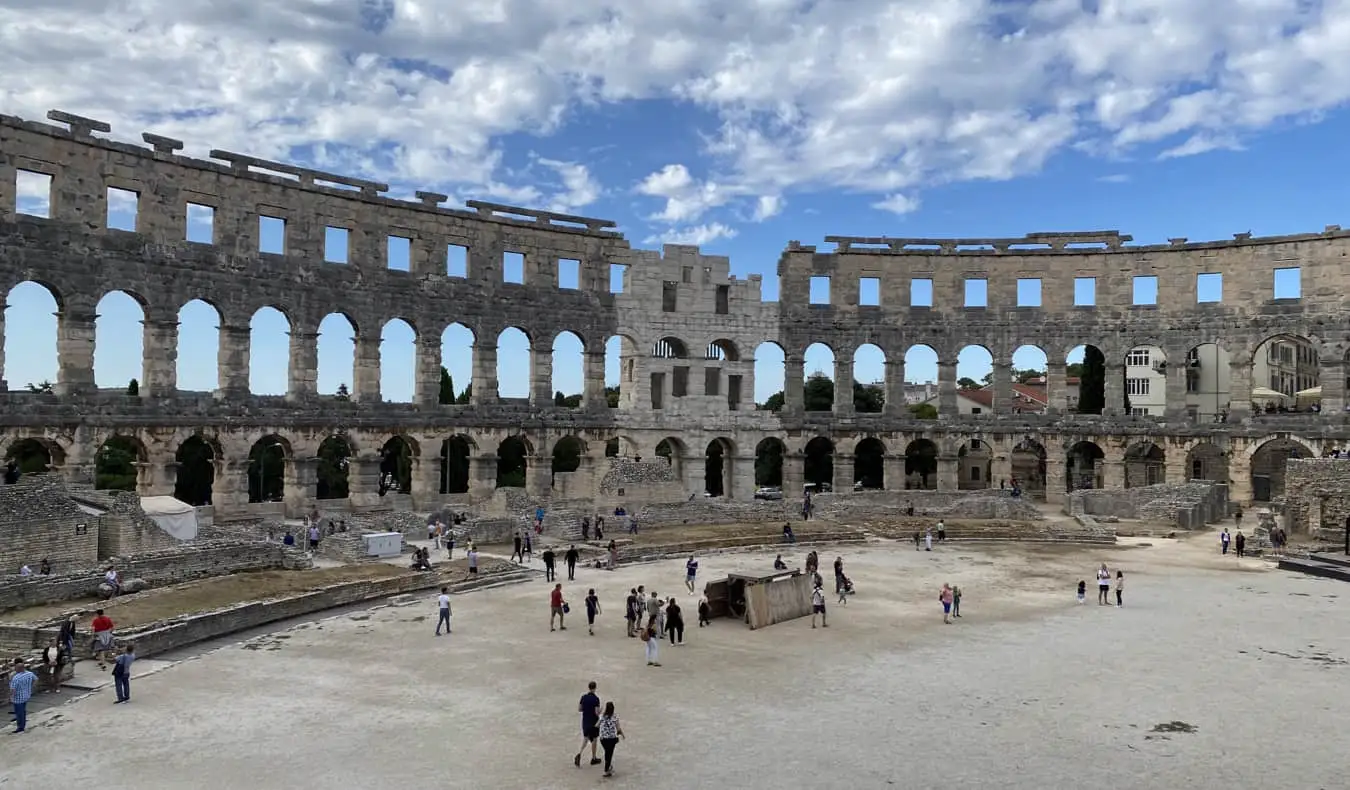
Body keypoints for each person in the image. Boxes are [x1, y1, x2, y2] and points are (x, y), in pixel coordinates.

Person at [574, 681, 603, 768]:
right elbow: (596, 713)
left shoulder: (583, 697)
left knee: (585, 739)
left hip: (585, 721)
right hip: (593, 722)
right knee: (594, 740)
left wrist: (586, 710)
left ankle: (579, 753)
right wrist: (601, 710)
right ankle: (593, 758)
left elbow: (579, 709)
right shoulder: (596, 699)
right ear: (595, 688)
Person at [597, 701, 625, 777]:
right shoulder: (615, 717)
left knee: (607, 752)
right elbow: (618, 728)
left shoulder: (602, 716)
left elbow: (597, 725)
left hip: (603, 739)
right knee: (609, 753)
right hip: (611, 739)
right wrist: (622, 735)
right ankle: (607, 769)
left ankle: (608, 767)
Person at [9, 659, 36, 733]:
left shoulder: (16, 678)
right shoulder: (29, 673)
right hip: (26, 695)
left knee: (19, 712)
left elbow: (12, 689)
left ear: (18, 669)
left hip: (18, 698)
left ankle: (20, 727)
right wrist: (31, 686)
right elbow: (35, 679)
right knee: (22, 710)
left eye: (16, 668)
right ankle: (21, 722)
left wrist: (11, 697)